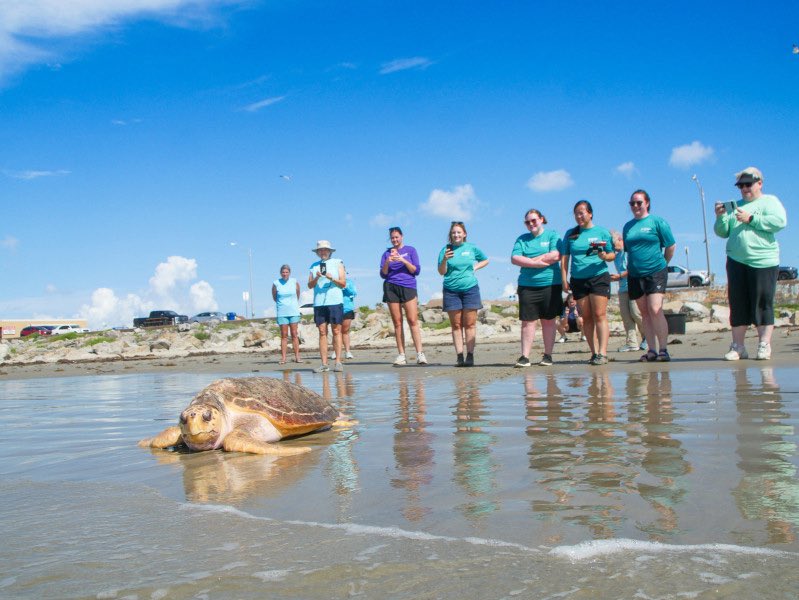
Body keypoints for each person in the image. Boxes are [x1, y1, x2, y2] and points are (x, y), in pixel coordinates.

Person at [714, 167, 787, 361]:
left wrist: (751, 218)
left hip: (763, 261)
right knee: (738, 303)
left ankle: (764, 344)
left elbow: (780, 222)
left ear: (759, 183)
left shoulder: (769, 201)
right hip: (736, 261)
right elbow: (722, 232)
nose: (745, 188)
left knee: (763, 302)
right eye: (741, 186)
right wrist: (720, 217)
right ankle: (738, 347)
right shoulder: (735, 206)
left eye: (748, 184)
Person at [623, 190, 676, 362]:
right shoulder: (627, 227)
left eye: (639, 202)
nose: (635, 206)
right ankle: (651, 350)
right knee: (644, 312)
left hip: (656, 271)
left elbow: (671, 245)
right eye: (632, 203)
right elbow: (629, 251)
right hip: (635, 274)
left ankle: (663, 350)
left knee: (655, 309)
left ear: (647, 203)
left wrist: (664, 263)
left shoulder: (657, 222)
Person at [560, 200, 615, 365]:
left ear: (590, 213)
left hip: (599, 276)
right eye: (576, 214)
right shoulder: (571, 234)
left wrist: (605, 256)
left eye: (581, 213)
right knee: (587, 317)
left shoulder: (602, 232)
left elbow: (612, 254)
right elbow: (565, 258)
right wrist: (564, 279)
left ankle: (603, 353)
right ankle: (594, 352)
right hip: (578, 279)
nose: (579, 216)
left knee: (599, 314)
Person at [510, 209, 562, 367]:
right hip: (527, 285)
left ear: (542, 219)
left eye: (534, 220)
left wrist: (529, 261)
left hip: (550, 283)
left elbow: (556, 255)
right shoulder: (522, 239)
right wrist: (536, 264)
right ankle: (525, 357)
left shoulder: (552, 235)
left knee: (549, 321)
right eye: (527, 222)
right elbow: (515, 258)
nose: (531, 224)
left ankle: (548, 355)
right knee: (528, 322)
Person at [437, 221, 489, 367]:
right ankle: (459, 356)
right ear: (450, 234)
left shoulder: (471, 248)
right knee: (456, 325)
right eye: (453, 232)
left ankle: (470, 356)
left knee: (470, 324)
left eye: (459, 232)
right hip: (451, 290)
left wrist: (475, 267)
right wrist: (445, 259)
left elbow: (485, 260)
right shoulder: (445, 250)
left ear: (464, 234)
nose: (456, 235)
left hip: (470, 289)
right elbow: (441, 272)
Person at [379, 227, 427, 366]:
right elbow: (383, 274)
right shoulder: (386, 253)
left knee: (412, 320)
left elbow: (416, 270)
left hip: (408, 286)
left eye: (397, 237)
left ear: (402, 236)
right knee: (397, 322)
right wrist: (388, 261)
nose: (394, 240)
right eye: (392, 238)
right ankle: (401, 355)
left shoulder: (411, 250)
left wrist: (403, 260)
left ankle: (420, 354)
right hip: (391, 287)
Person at [308, 240, 347, 373]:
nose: (323, 252)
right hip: (319, 303)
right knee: (322, 331)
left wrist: (332, 279)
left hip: (335, 300)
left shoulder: (338, 262)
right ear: (317, 252)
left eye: (325, 250)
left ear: (330, 251)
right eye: (320, 250)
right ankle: (324, 364)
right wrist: (316, 278)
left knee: (336, 331)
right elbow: (309, 285)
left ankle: (338, 362)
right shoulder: (313, 266)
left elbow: (343, 283)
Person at [610, 231, 646, 353]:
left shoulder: (629, 251)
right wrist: (616, 278)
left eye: (613, 243)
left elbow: (634, 268)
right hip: (622, 288)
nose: (613, 247)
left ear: (620, 239)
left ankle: (647, 336)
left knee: (636, 313)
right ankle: (632, 343)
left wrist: (620, 276)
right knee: (626, 316)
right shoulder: (616, 256)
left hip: (634, 285)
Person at [271, 264, 302, 364]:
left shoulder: (294, 282)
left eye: (286, 272)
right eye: (283, 272)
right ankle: (283, 358)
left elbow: (298, 295)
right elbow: (274, 297)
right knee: (284, 335)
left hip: (293, 311)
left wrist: (292, 304)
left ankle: (297, 357)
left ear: (289, 273)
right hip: (282, 312)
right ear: (281, 273)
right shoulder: (276, 283)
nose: (285, 274)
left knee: (294, 334)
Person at [341, 276, 357, 360]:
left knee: (345, 331)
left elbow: (354, 293)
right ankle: (336, 351)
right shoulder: (333, 282)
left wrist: (345, 287)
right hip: (335, 308)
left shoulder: (349, 282)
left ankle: (347, 351)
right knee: (336, 331)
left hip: (347, 308)